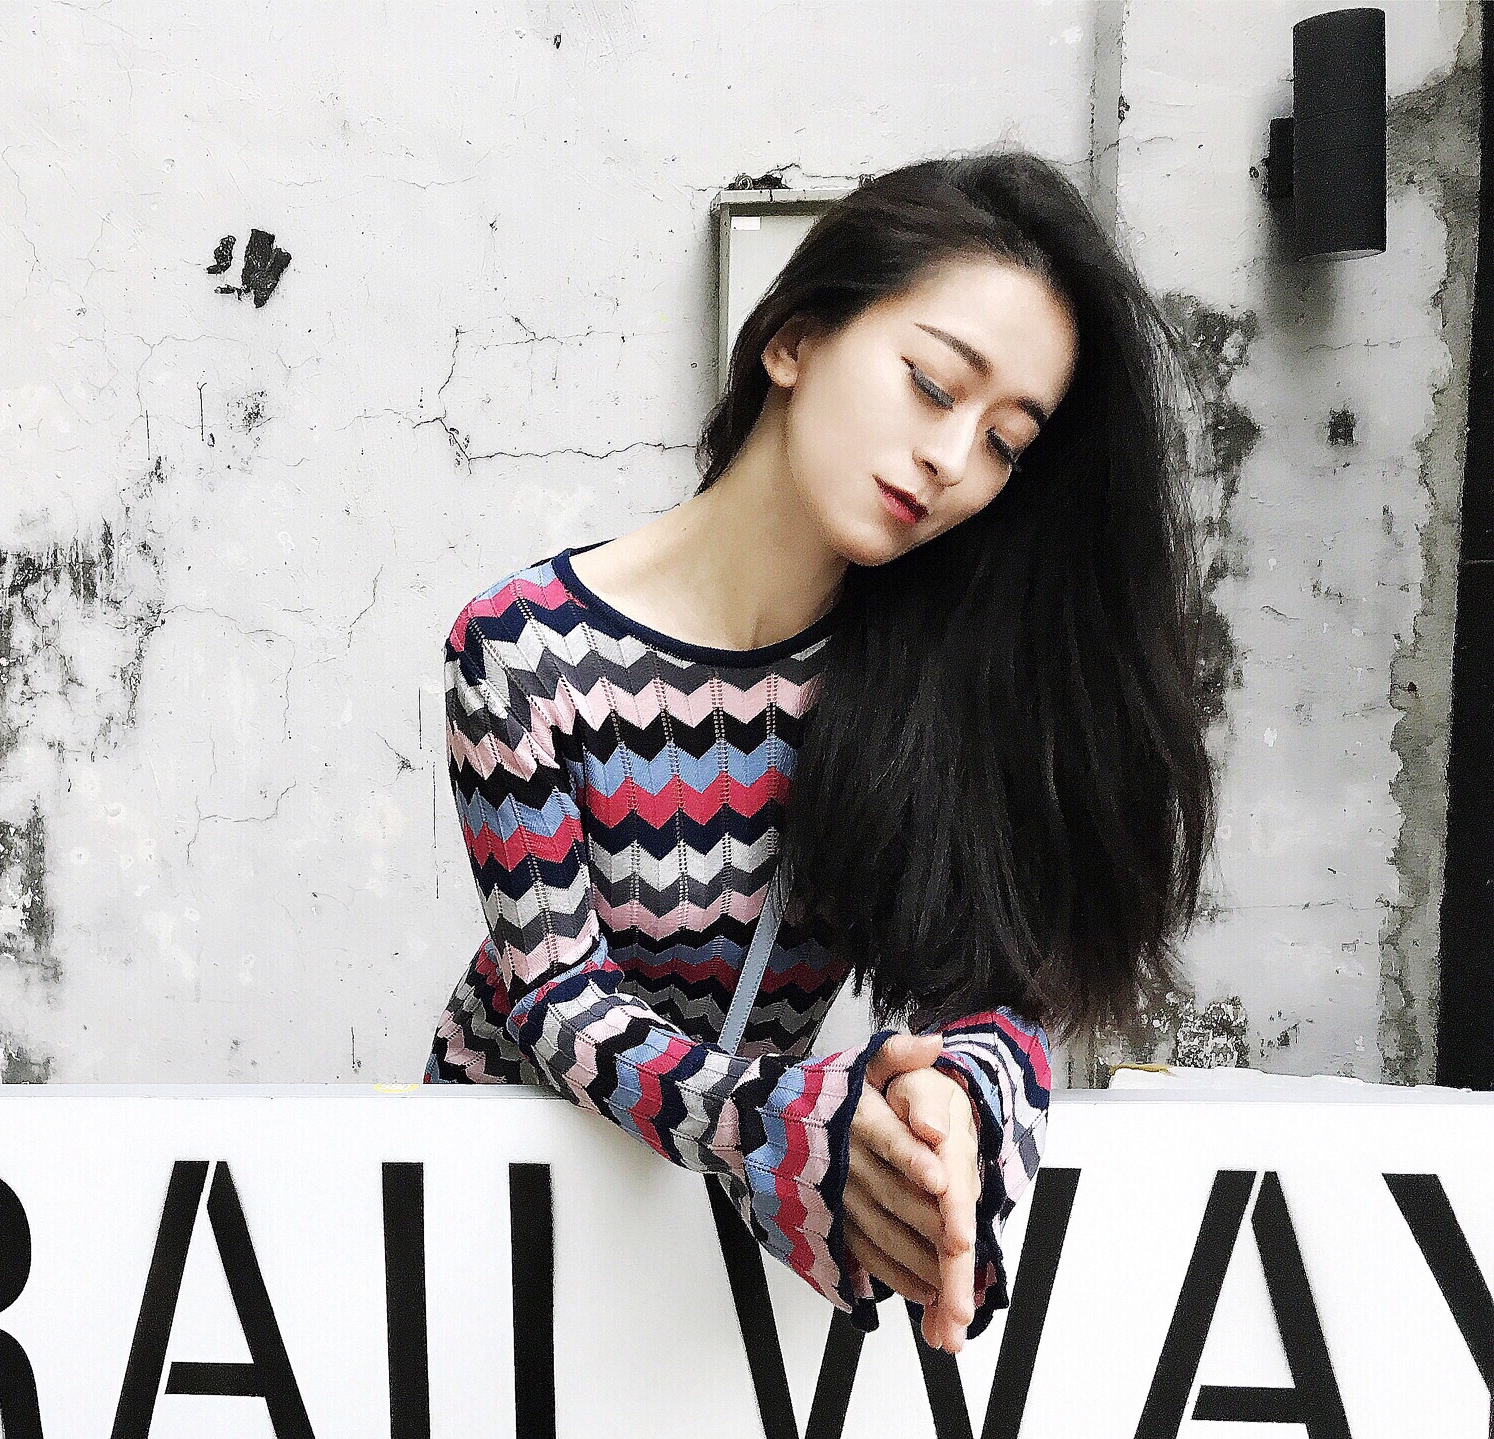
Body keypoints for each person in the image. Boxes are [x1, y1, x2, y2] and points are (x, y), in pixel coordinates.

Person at [424, 146, 1216, 1355]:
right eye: (934, 385)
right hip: (504, 1187)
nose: (954, 461)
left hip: (716, 1232)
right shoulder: (520, 646)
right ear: (794, 339)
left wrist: (951, 1102)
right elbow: (556, 999)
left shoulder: (930, 676)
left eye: (1007, 442)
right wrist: (787, 1121)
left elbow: (995, 984)